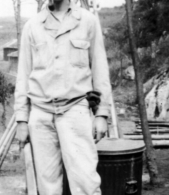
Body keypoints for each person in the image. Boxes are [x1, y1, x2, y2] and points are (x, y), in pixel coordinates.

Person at [14, 0, 112, 194]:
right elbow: (23, 76)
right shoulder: (32, 26)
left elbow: (100, 69)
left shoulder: (87, 21)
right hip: (41, 115)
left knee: (86, 183)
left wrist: (102, 114)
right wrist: (21, 119)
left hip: (75, 110)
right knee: (47, 187)